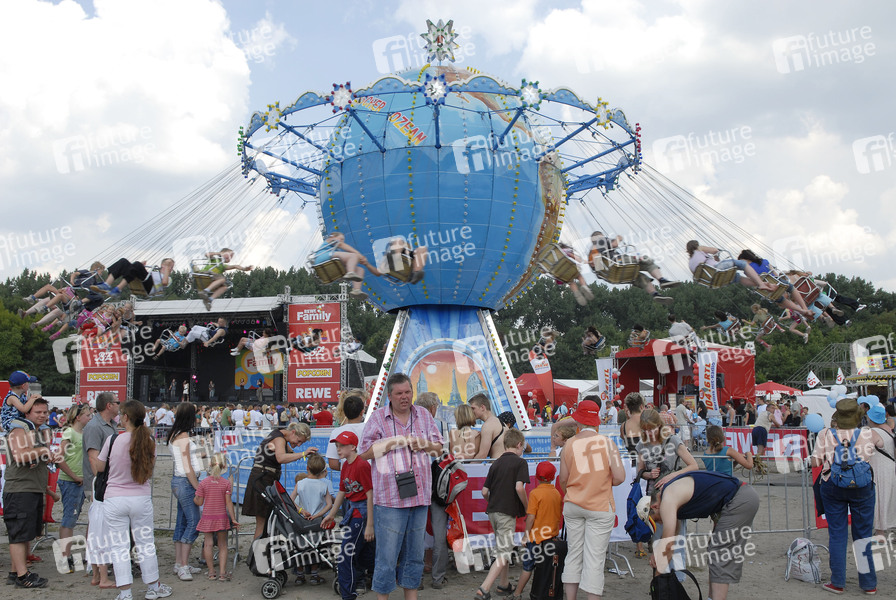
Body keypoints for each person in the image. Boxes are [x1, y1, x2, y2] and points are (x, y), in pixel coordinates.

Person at [357, 372, 443, 600]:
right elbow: (363, 453)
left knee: (414, 556)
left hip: (419, 497)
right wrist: (391, 443)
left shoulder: (424, 415)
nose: (405, 397)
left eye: (408, 392)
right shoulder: (377, 418)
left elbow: (439, 449)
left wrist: (423, 444)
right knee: (386, 557)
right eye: (399, 393)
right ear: (390, 396)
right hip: (389, 500)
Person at [91, 400, 172, 600]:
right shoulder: (149, 441)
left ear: (126, 417)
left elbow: (100, 468)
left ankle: (125, 592)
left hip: (115, 498)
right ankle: (153, 586)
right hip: (140, 497)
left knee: (118, 546)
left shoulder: (113, 440)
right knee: (145, 543)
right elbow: (150, 468)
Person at [639, 470, 760, 600]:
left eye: (656, 520)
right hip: (736, 497)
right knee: (715, 551)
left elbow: (668, 543)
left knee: (720, 553)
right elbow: (673, 535)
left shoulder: (667, 499)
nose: (660, 523)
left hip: (738, 498)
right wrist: (659, 552)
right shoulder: (669, 496)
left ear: (655, 507)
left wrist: (658, 579)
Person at [809, 398, 883, 595]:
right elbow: (881, 443)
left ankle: (837, 582)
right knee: (864, 535)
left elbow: (816, 462)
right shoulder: (868, 433)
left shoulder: (825, 433)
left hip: (833, 484)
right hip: (862, 485)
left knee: (837, 534)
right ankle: (868, 584)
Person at [558, 399, 626, 600]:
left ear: (578, 420)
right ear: (596, 421)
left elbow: (563, 479)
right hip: (600, 505)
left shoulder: (569, 444)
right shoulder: (607, 443)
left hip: (573, 504)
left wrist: (573, 490)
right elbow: (620, 477)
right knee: (594, 559)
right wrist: (602, 481)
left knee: (574, 554)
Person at [3, 396, 59, 588]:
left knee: (25, 533)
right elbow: (19, 455)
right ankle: (22, 576)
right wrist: (43, 451)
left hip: (31, 488)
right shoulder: (19, 429)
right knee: (18, 534)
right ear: (27, 413)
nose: (42, 415)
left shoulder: (36, 431)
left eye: (45, 412)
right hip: (20, 489)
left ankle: (15, 572)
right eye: (38, 412)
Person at [475, 428, 530, 600]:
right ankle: (484, 589)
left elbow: (484, 491)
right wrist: (527, 507)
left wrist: (493, 500)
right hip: (507, 512)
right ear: (519, 444)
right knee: (504, 551)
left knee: (503, 546)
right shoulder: (520, 463)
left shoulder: (496, 463)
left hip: (493, 511)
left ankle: (504, 584)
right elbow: (519, 488)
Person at [323, 431, 376, 600]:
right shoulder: (345, 465)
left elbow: (370, 494)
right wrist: (332, 514)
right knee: (365, 555)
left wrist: (370, 524)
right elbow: (342, 491)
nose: (338, 449)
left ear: (353, 447)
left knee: (346, 554)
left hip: (361, 514)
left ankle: (348, 595)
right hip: (353, 511)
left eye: (342, 446)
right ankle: (390, 574)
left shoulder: (361, 465)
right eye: (337, 446)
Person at [242, 422, 317, 539]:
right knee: (262, 523)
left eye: (301, 443)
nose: (298, 444)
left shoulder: (280, 435)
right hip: (262, 478)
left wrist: (304, 455)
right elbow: (281, 457)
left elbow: (290, 453)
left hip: (264, 477)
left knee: (265, 522)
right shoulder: (279, 439)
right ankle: (257, 549)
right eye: (298, 441)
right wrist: (303, 453)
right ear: (293, 432)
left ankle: (260, 547)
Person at [508, 461, 563, 600]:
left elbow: (531, 517)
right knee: (546, 568)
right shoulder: (556, 493)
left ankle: (517, 593)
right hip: (551, 537)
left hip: (536, 537)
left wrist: (525, 536)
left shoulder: (535, 493)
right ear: (553, 477)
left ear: (536, 476)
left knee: (528, 567)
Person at [83, 392, 119, 588]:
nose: (120, 405)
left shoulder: (111, 425)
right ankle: (96, 571)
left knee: (99, 528)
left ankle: (97, 572)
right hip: (100, 485)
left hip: (106, 483)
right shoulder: (94, 426)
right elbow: (94, 460)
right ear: (108, 405)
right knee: (99, 529)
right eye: (117, 402)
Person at [167, 403, 205, 580]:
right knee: (193, 522)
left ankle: (179, 562)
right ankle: (183, 565)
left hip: (180, 480)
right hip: (185, 481)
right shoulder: (182, 436)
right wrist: (198, 487)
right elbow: (187, 466)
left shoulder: (175, 434)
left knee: (182, 521)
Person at [590, 231, 678, 305]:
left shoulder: (592, 253)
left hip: (613, 275)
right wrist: (618, 238)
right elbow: (615, 244)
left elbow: (598, 270)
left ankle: (655, 294)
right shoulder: (601, 241)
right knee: (647, 261)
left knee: (639, 277)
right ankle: (661, 280)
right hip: (619, 263)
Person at [57, 403, 92, 573]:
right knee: (69, 519)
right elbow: (59, 458)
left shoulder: (83, 433)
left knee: (75, 517)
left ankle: (73, 555)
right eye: (87, 415)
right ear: (78, 417)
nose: (90, 418)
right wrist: (74, 476)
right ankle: (65, 558)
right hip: (71, 481)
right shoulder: (69, 433)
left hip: (80, 480)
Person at [290, 453, 333, 585]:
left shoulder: (300, 483)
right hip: (316, 521)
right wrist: (318, 515)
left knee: (300, 546)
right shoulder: (323, 485)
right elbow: (329, 504)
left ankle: (300, 575)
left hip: (302, 519)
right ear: (322, 470)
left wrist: (301, 510)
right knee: (315, 547)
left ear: (307, 467)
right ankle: (314, 574)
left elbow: (290, 501)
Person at [194, 454, 238, 581]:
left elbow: (199, 502)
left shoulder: (204, 483)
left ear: (210, 465)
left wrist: (195, 499)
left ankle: (211, 572)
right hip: (221, 517)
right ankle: (222, 573)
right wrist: (233, 519)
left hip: (207, 517)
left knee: (208, 544)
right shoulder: (226, 483)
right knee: (222, 545)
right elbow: (229, 502)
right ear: (224, 466)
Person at [636, 408, 699, 495]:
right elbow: (639, 471)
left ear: (659, 425)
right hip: (652, 493)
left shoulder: (673, 440)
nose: (648, 433)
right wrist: (649, 474)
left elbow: (694, 466)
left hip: (673, 491)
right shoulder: (642, 444)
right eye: (644, 430)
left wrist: (673, 475)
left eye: (651, 429)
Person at [686, 241, 777, 292]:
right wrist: (716, 255)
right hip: (717, 270)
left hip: (712, 281)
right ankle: (761, 284)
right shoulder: (699, 249)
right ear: (696, 245)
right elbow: (714, 250)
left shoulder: (690, 263)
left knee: (738, 278)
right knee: (743, 264)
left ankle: (763, 285)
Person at [865, 404, 896, 536]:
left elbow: (865, 452)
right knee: (890, 497)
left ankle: (880, 531)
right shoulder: (889, 429)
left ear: (871, 418)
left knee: (879, 498)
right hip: (890, 466)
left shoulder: (872, 432)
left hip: (878, 468)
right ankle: (885, 527)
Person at [324, 232, 382, 299]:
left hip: (332, 262)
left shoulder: (334, 249)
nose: (342, 241)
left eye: (343, 240)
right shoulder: (330, 241)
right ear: (333, 236)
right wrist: (359, 255)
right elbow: (341, 244)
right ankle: (350, 273)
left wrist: (362, 261)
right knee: (354, 256)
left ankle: (356, 290)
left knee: (360, 270)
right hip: (324, 257)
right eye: (341, 239)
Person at [93, 257, 175, 298]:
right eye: (167, 265)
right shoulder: (154, 272)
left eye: (170, 266)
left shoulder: (168, 278)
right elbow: (143, 274)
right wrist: (141, 268)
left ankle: (118, 289)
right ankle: (107, 284)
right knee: (123, 261)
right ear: (162, 265)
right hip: (144, 280)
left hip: (151, 287)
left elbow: (164, 283)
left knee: (137, 264)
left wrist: (167, 270)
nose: (169, 267)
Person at [326, 395, 367, 471]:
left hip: (348, 475)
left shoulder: (336, 432)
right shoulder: (370, 429)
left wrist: (347, 468)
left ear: (344, 412)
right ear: (362, 412)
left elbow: (333, 463)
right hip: (369, 474)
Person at [470, 393, 506, 459]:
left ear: (482, 407)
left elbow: (483, 455)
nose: (471, 411)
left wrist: (468, 465)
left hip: (498, 464)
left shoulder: (488, 426)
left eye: (473, 408)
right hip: (505, 462)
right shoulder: (500, 422)